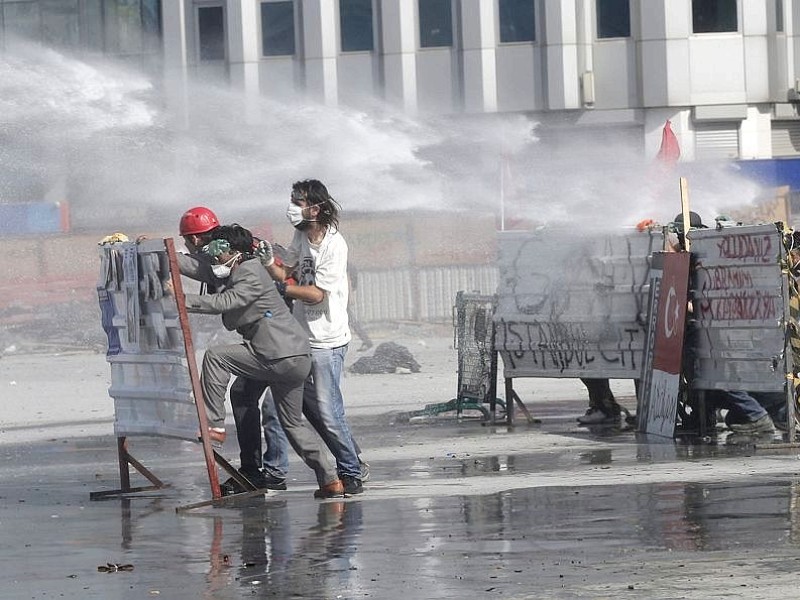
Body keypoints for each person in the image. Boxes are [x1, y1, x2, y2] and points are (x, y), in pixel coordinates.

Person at [173, 223, 345, 498]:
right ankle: (329, 480)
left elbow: (225, 302)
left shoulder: (249, 271)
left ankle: (214, 424)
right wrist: (163, 254)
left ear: (234, 251)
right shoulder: (239, 269)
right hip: (292, 356)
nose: (214, 259)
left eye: (218, 253)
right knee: (293, 425)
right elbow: (200, 270)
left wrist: (179, 298)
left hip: (276, 354)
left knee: (216, 357)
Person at [259, 179, 366, 496]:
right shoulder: (301, 234)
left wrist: (282, 288)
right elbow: (287, 271)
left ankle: (351, 471)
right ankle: (275, 471)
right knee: (274, 407)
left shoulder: (334, 245)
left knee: (329, 412)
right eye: (291, 199)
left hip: (326, 342)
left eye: (299, 201)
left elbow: (316, 295)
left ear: (315, 208)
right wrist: (268, 262)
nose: (292, 206)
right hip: (300, 339)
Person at [179, 207, 285, 491]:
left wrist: (158, 256)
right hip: (266, 341)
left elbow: (197, 271)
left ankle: (277, 470)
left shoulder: (233, 260)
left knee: (285, 409)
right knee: (244, 395)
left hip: (286, 344)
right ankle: (253, 470)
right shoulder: (232, 252)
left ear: (197, 240)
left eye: (188, 241)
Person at [670, 212, 775, 436]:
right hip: (708, 331)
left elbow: (714, 299)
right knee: (702, 376)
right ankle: (704, 415)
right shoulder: (695, 256)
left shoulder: (707, 258)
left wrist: (689, 305)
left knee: (721, 376)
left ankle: (757, 416)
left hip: (721, 333)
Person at [347, 263, 373, 351]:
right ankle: (366, 340)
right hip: (342, 294)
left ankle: (366, 340)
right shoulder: (346, 264)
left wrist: (350, 296)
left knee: (350, 319)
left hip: (341, 295)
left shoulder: (343, 263)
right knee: (350, 319)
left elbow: (348, 280)